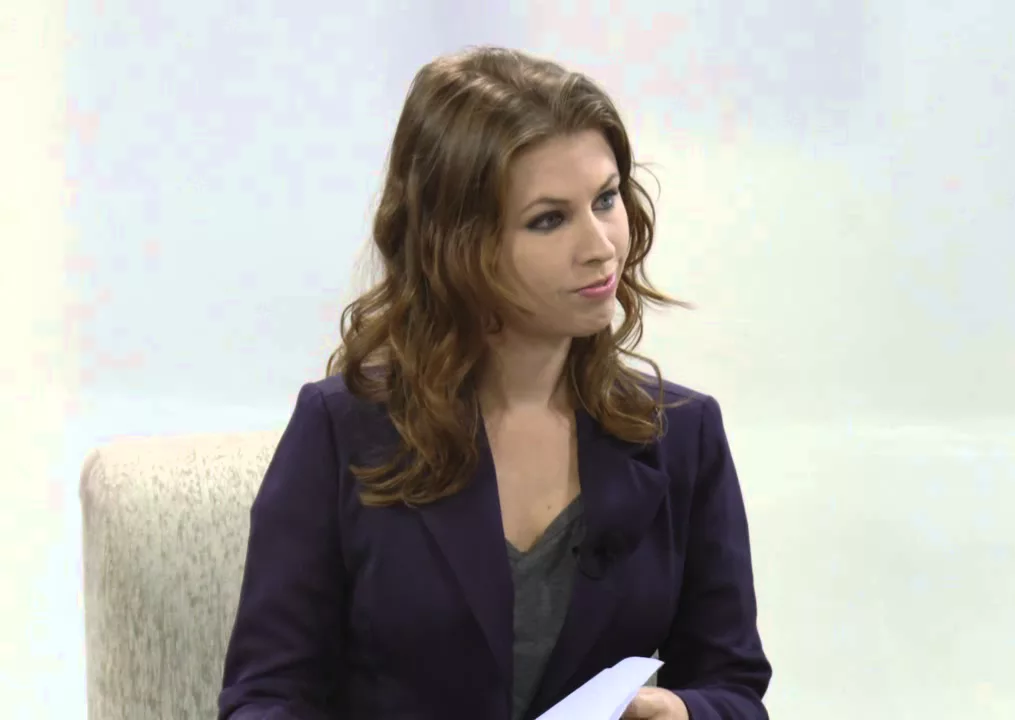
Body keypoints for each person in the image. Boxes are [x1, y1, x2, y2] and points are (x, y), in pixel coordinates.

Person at [217, 46, 771, 720]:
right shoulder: (342, 430)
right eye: (549, 219)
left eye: (605, 199)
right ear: (457, 245)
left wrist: (681, 713)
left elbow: (733, 686)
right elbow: (266, 698)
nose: (601, 246)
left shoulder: (682, 433)